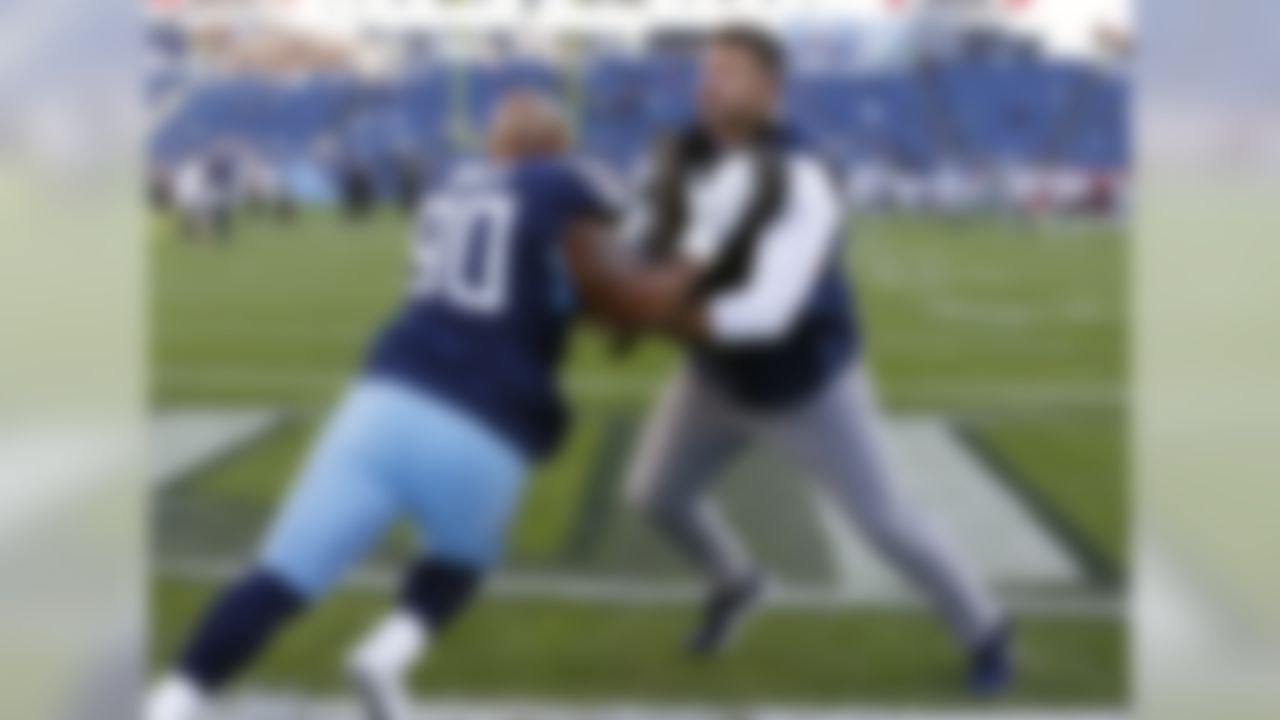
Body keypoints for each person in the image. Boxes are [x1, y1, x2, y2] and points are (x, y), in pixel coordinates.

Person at [145, 90, 699, 720]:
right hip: (488, 417)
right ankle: (387, 655)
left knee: (279, 578)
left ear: (496, 144)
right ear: (555, 145)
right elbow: (627, 238)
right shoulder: (563, 178)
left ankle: (174, 700)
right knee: (458, 565)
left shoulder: (449, 183)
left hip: (385, 400)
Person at [620, 26, 1014, 695]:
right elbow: (636, 241)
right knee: (655, 496)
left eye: (731, 71)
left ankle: (984, 629)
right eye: (707, 70)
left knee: (885, 522)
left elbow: (764, 314)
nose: (711, 82)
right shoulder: (680, 155)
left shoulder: (805, 175)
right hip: (715, 376)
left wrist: (647, 307)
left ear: (772, 89)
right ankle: (736, 583)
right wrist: (609, 279)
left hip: (805, 381)